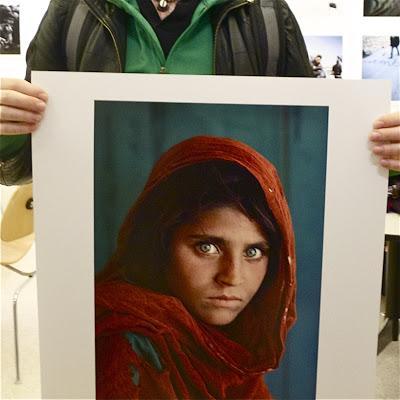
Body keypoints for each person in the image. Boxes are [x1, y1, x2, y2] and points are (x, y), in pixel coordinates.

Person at [0, 0, 399, 182]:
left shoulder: (265, 14)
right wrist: (6, 128)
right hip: (98, 241)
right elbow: (31, 157)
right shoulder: (76, 11)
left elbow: (309, 146)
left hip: (223, 226)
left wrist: (386, 150)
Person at [95, 135, 295, 399]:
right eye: (207, 248)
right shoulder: (125, 347)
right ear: (161, 244)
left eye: (253, 252)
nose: (232, 277)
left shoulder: (233, 357)